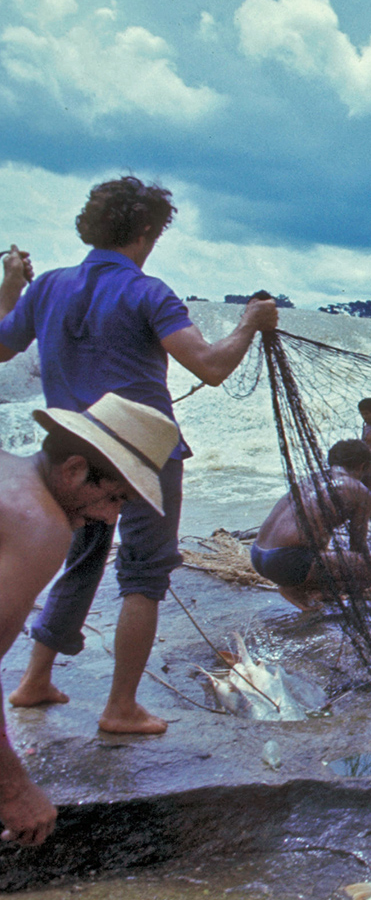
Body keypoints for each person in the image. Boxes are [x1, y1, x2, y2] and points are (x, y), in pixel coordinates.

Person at [0, 178, 279, 735]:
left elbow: (0, 344)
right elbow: (212, 366)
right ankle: (120, 707)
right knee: (145, 575)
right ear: (148, 231)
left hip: (69, 454)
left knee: (78, 561)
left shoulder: (49, 286)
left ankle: (34, 681)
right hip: (140, 454)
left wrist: (10, 289)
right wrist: (250, 322)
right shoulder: (149, 293)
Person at [2, 394, 178, 845]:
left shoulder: (10, 469)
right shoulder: (40, 523)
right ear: (75, 469)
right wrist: (14, 789)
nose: (109, 516)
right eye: (115, 496)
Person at [250, 440, 371, 611]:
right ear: (363, 466)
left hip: (258, 554)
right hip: (285, 562)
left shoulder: (312, 479)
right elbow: (357, 544)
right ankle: (302, 589)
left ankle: (300, 584)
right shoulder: (359, 490)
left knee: (325, 550)